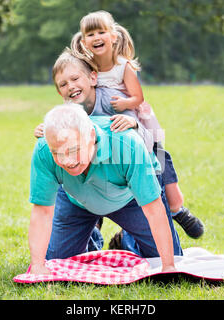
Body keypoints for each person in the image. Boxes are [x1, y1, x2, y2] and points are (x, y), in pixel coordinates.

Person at [70, 10, 204, 239]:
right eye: (90, 34)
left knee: (159, 157)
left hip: (131, 121)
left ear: (113, 36)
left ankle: (176, 209)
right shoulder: (85, 67)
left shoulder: (124, 67)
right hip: (100, 130)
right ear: (84, 41)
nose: (96, 37)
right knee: (96, 169)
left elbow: (138, 97)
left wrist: (125, 103)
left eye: (101, 32)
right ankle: (93, 228)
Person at [28, 104, 183, 275]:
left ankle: (127, 239)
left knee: (169, 258)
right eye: (57, 153)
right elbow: (42, 211)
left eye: (73, 150)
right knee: (55, 261)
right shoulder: (43, 149)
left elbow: (153, 209)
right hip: (77, 198)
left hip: (130, 197)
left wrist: (168, 266)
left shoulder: (127, 144)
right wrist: (37, 265)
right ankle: (90, 234)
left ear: (91, 136)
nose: (66, 161)